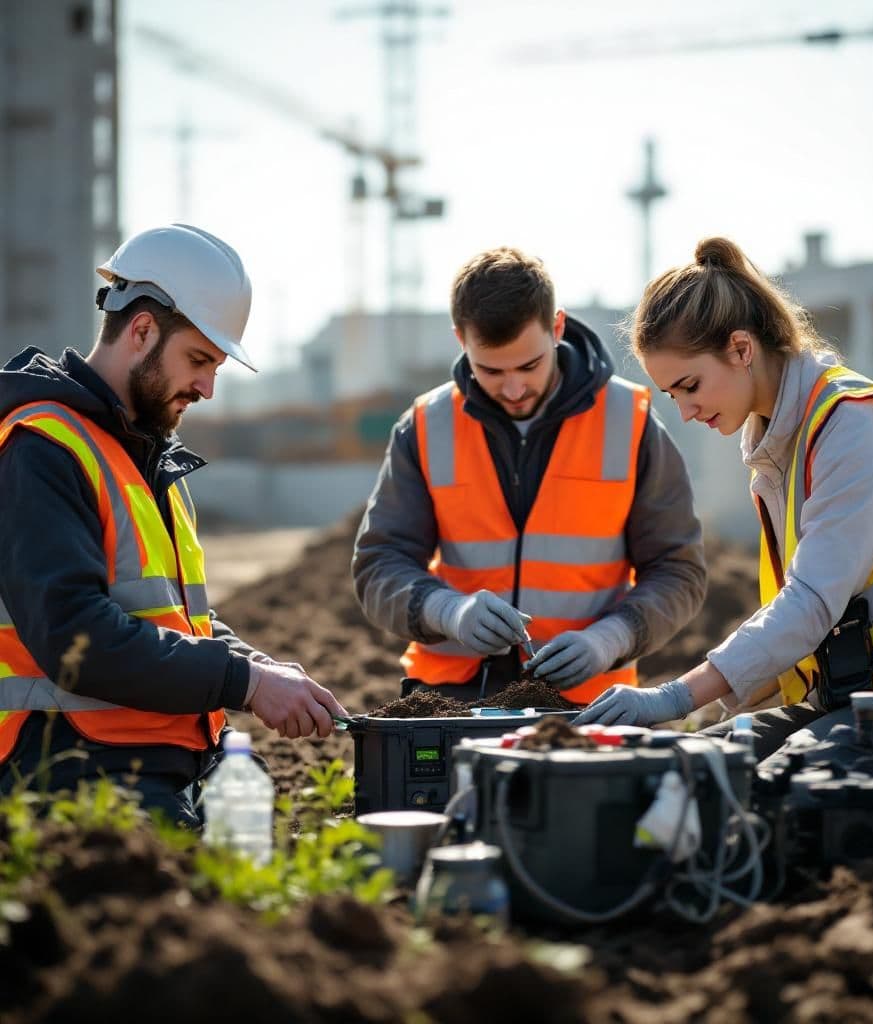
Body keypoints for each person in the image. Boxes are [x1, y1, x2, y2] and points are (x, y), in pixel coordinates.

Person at [577, 237, 873, 801]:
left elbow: (809, 602)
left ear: (741, 348)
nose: (685, 412)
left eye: (689, 386)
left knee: (783, 797)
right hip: (857, 700)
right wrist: (697, 718)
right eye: (672, 395)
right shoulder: (780, 443)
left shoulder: (852, 427)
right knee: (690, 771)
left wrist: (676, 697)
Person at [0, 224, 345, 827]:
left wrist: (256, 664)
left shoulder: (150, 457)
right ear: (140, 331)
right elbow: (75, 638)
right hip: (65, 768)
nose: (209, 388)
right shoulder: (42, 448)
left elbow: (177, 620)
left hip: (150, 758)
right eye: (199, 360)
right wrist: (244, 682)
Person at [353, 247, 706, 704]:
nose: (514, 388)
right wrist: (449, 612)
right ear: (461, 338)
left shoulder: (630, 423)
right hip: (448, 699)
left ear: (556, 327)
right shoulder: (424, 426)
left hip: (588, 702)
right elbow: (379, 564)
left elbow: (679, 572)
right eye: (491, 370)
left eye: (529, 365)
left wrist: (610, 640)